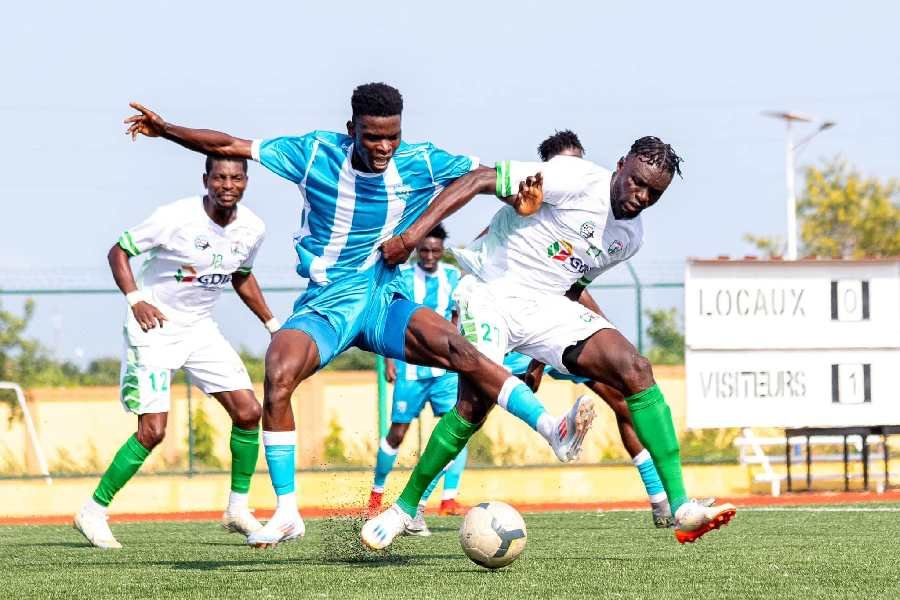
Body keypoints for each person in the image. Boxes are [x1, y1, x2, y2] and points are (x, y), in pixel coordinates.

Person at [124, 83, 592, 548]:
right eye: (372, 137)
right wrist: (167, 131)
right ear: (352, 129)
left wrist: (518, 200)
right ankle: (287, 512)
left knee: (462, 351)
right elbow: (230, 144)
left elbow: (486, 176)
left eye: (392, 136)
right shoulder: (314, 153)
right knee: (278, 370)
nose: (384, 147)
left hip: (383, 301)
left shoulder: (422, 161)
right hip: (327, 304)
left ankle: (552, 429)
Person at [365, 135, 736, 549]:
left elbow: (573, 285)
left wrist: (544, 356)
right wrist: (412, 237)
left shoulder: (630, 238)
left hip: (546, 306)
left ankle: (680, 506)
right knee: (472, 408)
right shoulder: (575, 178)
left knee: (636, 368)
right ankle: (403, 509)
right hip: (491, 290)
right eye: (637, 182)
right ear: (620, 165)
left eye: (655, 193)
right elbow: (477, 179)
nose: (642, 196)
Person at [73, 156, 276, 549]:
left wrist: (272, 324)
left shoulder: (253, 228)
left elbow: (242, 276)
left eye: (236, 178)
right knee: (153, 431)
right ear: (206, 180)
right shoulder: (175, 217)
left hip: (200, 330)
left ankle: (237, 509)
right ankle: (92, 511)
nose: (227, 185)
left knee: (249, 411)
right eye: (219, 177)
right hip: (154, 328)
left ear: (246, 182)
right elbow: (118, 251)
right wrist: (136, 300)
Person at [368, 224, 469, 533]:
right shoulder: (406, 277)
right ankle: (376, 494)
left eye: (434, 251)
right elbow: (390, 316)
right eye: (423, 250)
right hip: (410, 369)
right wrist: (389, 359)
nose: (429, 255)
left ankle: (447, 498)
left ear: (441, 251)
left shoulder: (452, 277)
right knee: (397, 433)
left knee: (455, 430)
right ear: (417, 251)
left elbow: (458, 316)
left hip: (444, 373)